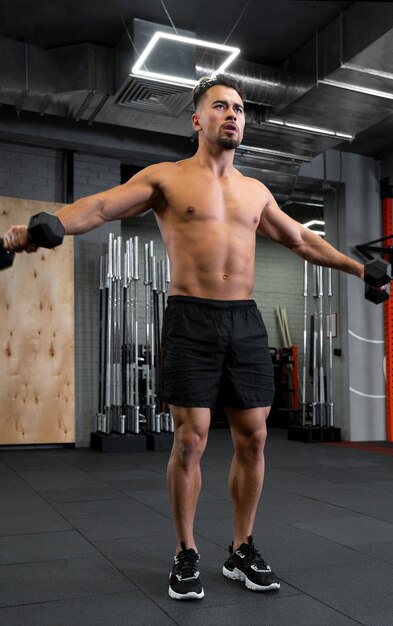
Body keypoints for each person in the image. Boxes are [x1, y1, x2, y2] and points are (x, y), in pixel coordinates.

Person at [3, 73, 364, 601]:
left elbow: (303, 241)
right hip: (190, 317)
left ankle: (241, 549)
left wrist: (360, 270)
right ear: (198, 120)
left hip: (244, 318)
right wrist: (44, 227)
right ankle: (186, 552)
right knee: (191, 438)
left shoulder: (256, 191)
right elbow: (102, 206)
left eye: (240, 108)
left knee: (256, 437)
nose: (234, 115)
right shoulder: (167, 179)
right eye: (222, 106)